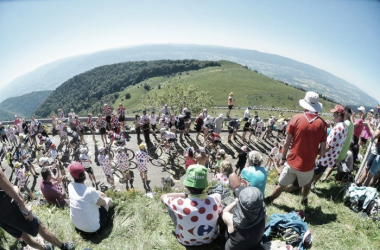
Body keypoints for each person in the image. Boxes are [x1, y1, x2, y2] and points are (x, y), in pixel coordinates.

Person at [265, 91, 327, 206]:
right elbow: (322, 152)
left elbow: (287, 143)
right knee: (307, 183)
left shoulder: (295, 118)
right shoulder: (323, 124)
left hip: (292, 161)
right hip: (308, 164)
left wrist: (283, 158)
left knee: (281, 184)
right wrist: (312, 150)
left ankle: (269, 200)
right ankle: (304, 199)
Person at [0, 168, 74, 250]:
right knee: (40, 227)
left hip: (2, 218)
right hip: (8, 206)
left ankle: (45, 248)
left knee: (23, 236)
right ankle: (64, 247)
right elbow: (1, 177)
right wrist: (22, 204)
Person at [160, 164, 222, 247]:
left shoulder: (179, 203)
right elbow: (215, 195)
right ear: (205, 185)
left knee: (171, 207)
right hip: (211, 239)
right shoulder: (216, 198)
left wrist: (185, 194)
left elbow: (163, 197)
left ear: (186, 185)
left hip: (186, 241)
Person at [67, 162, 113, 234]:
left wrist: (96, 192)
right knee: (108, 200)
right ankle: (112, 213)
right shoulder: (90, 191)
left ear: (72, 176)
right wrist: (98, 195)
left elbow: (81, 190)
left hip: (77, 225)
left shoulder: (70, 186)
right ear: (85, 174)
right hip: (93, 229)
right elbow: (103, 203)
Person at [310, 105, 348, 189]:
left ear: (338, 115)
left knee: (316, 171)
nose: (332, 116)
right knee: (321, 170)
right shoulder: (344, 126)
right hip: (333, 155)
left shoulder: (338, 127)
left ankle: (306, 186)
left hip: (327, 154)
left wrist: (319, 153)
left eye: (334, 114)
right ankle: (313, 184)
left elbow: (328, 145)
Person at [322, 106, 354, 182]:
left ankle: (322, 178)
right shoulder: (351, 124)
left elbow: (335, 135)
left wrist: (329, 126)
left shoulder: (344, 124)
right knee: (336, 165)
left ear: (345, 113)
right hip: (344, 150)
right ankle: (340, 178)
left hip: (338, 150)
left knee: (328, 165)